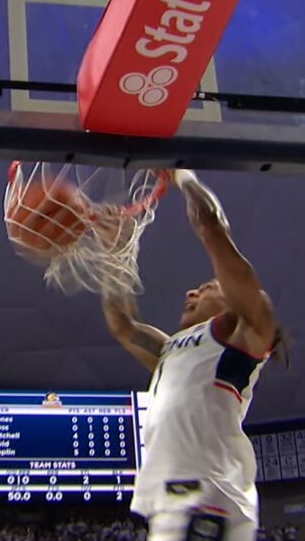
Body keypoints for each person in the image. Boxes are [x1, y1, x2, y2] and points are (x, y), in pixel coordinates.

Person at [101, 169, 281, 541]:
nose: (191, 292)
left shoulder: (240, 333)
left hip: (205, 496)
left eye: (206, 287)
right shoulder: (169, 351)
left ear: (231, 297)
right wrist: (113, 253)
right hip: (181, 503)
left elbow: (212, 229)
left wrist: (182, 174)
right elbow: (122, 324)